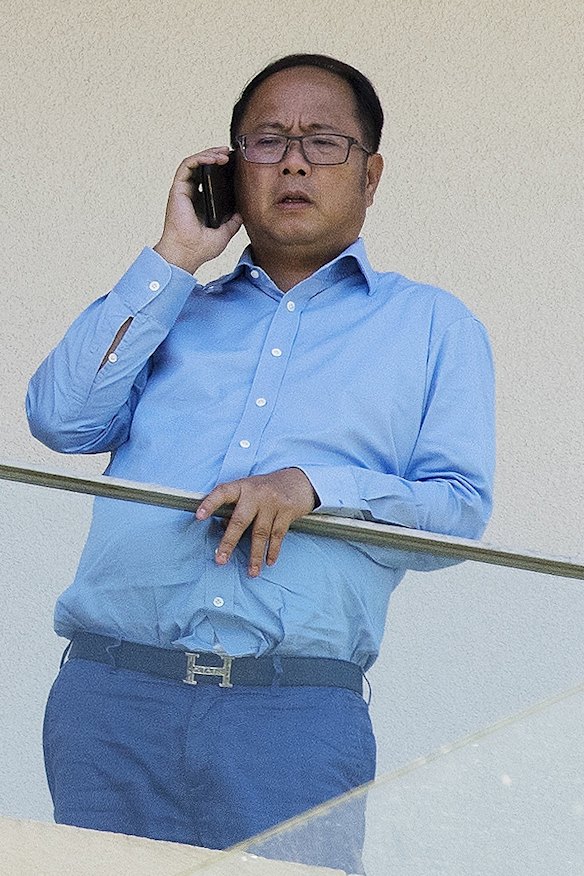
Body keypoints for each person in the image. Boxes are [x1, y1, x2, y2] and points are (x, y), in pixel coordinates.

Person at [27, 53, 495, 873]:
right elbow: (60, 421)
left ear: (371, 174)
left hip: (294, 713)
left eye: (324, 142)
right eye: (267, 141)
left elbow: (457, 513)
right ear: (231, 168)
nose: (294, 161)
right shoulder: (174, 307)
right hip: (112, 699)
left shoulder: (432, 326)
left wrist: (317, 488)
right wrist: (174, 255)